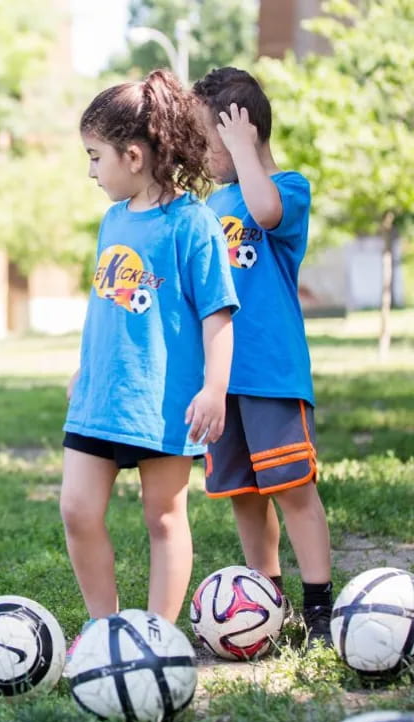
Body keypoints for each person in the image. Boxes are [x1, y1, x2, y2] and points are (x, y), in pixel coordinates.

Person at [60, 69, 239, 658]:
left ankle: (158, 635)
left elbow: (218, 316)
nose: (89, 171)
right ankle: (104, 625)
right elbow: (105, 309)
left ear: (133, 155)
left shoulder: (194, 224)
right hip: (100, 398)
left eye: (94, 157)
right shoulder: (113, 220)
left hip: (164, 400)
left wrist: (215, 388)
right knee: (77, 509)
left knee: (164, 518)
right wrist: (85, 370)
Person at [193, 66, 333, 645]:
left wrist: (243, 150)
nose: (202, 154)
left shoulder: (287, 188)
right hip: (223, 379)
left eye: (208, 141)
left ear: (240, 132)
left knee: (292, 488)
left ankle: (320, 606)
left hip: (272, 373)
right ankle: (266, 600)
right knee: (243, 495)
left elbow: (268, 211)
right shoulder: (208, 206)